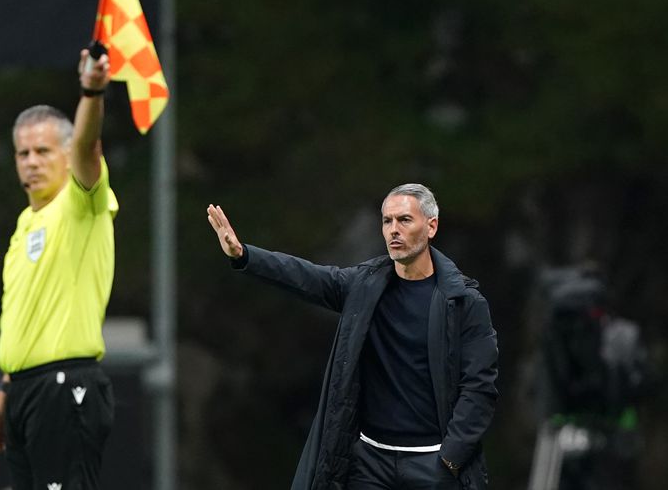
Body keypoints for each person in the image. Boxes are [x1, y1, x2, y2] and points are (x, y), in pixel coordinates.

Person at [206, 184, 498, 490]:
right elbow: (305, 276)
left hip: (433, 465)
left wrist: (449, 458)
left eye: (404, 220)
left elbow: (479, 387)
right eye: (387, 221)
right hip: (369, 465)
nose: (393, 230)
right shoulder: (364, 286)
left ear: (431, 226)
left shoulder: (465, 302)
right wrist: (243, 255)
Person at [0, 47, 119, 490]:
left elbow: (88, 143)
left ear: (66, 153)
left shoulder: (82, 202)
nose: (31, 162)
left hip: (66, 384)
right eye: (22, 153)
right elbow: (22, 319)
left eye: (43, 150)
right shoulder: (26, 224)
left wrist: (91, 92)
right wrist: (7, 391)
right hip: (24, 390)